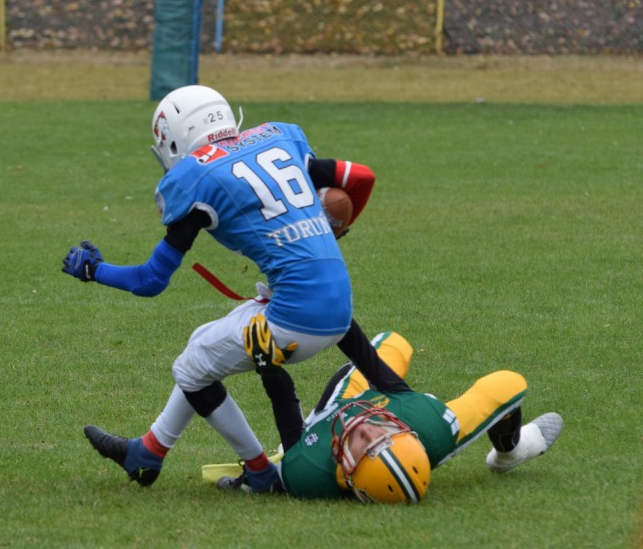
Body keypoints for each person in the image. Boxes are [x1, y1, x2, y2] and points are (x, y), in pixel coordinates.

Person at [63, 84, 407, 493]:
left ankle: (260, 472)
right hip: (338, 308)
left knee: (190, 368)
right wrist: (328, 234)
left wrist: (94, 270)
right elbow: (362, 177)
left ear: (174, 139)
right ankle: (147, 453)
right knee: (202, 341)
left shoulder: (196, 175)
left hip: (295, 319)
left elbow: (150, 281)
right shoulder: (279, 138)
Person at [213, 328, 564, 503]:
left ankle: (509, 454)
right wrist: (334, 313)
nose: (364, 426)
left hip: (320, 434)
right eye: (379, 432)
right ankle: (511, 452)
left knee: (381, 356)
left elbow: (285, 405)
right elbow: (376, 370)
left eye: (362, 444)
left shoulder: (307, 471)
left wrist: (268, 368)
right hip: (417, 418)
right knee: (506, 384)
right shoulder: (428, 424)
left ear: (352, 482)